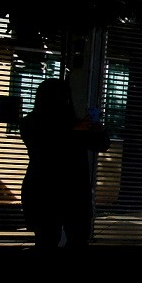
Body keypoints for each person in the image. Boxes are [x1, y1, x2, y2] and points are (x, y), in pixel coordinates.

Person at [19, 77, 111, 257]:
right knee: (48, 241)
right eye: (61, 98)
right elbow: (46, 142)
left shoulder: (72, 124)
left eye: (66, 98)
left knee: (73, 241)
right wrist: (76, 129)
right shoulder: (33, 123)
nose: (65, 102)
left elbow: (100, 145)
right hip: (47, 191)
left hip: (69, 192)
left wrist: (99, 131)